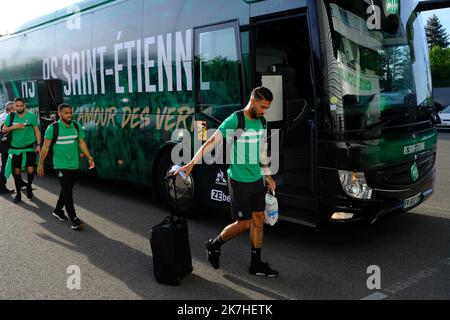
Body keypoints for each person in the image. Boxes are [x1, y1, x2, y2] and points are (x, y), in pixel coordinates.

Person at [175, 86, 278, 277]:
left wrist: (268, 175)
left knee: (258, 220)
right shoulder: (235, 119)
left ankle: (255, 264)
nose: (265, 111)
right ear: (253, 100)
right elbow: (211, 141)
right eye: (263, 106)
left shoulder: (262, 121)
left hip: (256, 179)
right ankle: (214, 244)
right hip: (239, 180)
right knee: (244, 223)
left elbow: (262, 151)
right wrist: (191, 164)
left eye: (267, 108)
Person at [37, 103, 95, 230]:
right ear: (60, 114)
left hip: (74, 164)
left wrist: (89, 157)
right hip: (60, 165)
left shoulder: (76, 125)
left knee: (66, 189)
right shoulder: (53, 128)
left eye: (70, 112)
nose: (69, 115)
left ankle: (58, 210)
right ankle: (73, 218)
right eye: (66, 113)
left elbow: (81, 142)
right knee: (68, 192)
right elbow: (45, 148)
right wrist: (40, 164)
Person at [2, 97, 41, 203]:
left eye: (21, 105)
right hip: (15, 149)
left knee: (31, 169)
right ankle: (18, 194)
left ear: (24, 106)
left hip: (29, 147)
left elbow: (37, 130)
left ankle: (28, 187)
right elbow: (3, 129)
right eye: (17, 105)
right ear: (14, 106)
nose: (19, 107)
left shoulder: (31, 116)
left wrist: (38, 144)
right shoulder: (11, 116)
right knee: (17, 171)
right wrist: (14, 127)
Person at [0, 101, 16, 193]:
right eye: (15, 109)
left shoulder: (2, 115)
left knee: (11, 163)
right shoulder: (7, 118)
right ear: (12, 110)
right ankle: (1, 186)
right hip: (5, 144)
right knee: (6, 165)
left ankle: (20, 181)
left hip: (3, 143)